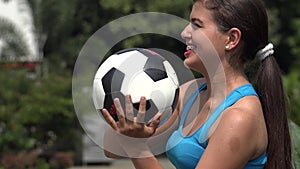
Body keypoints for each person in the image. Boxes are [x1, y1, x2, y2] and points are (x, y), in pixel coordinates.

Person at [101, 0, 293, 168]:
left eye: (196, 25)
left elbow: (134, 148)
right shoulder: (190, 92)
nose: (185, 33)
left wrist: (136, 147)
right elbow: (113, 150)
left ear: (231, 39)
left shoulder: (239, 117)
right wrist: (124, 101)